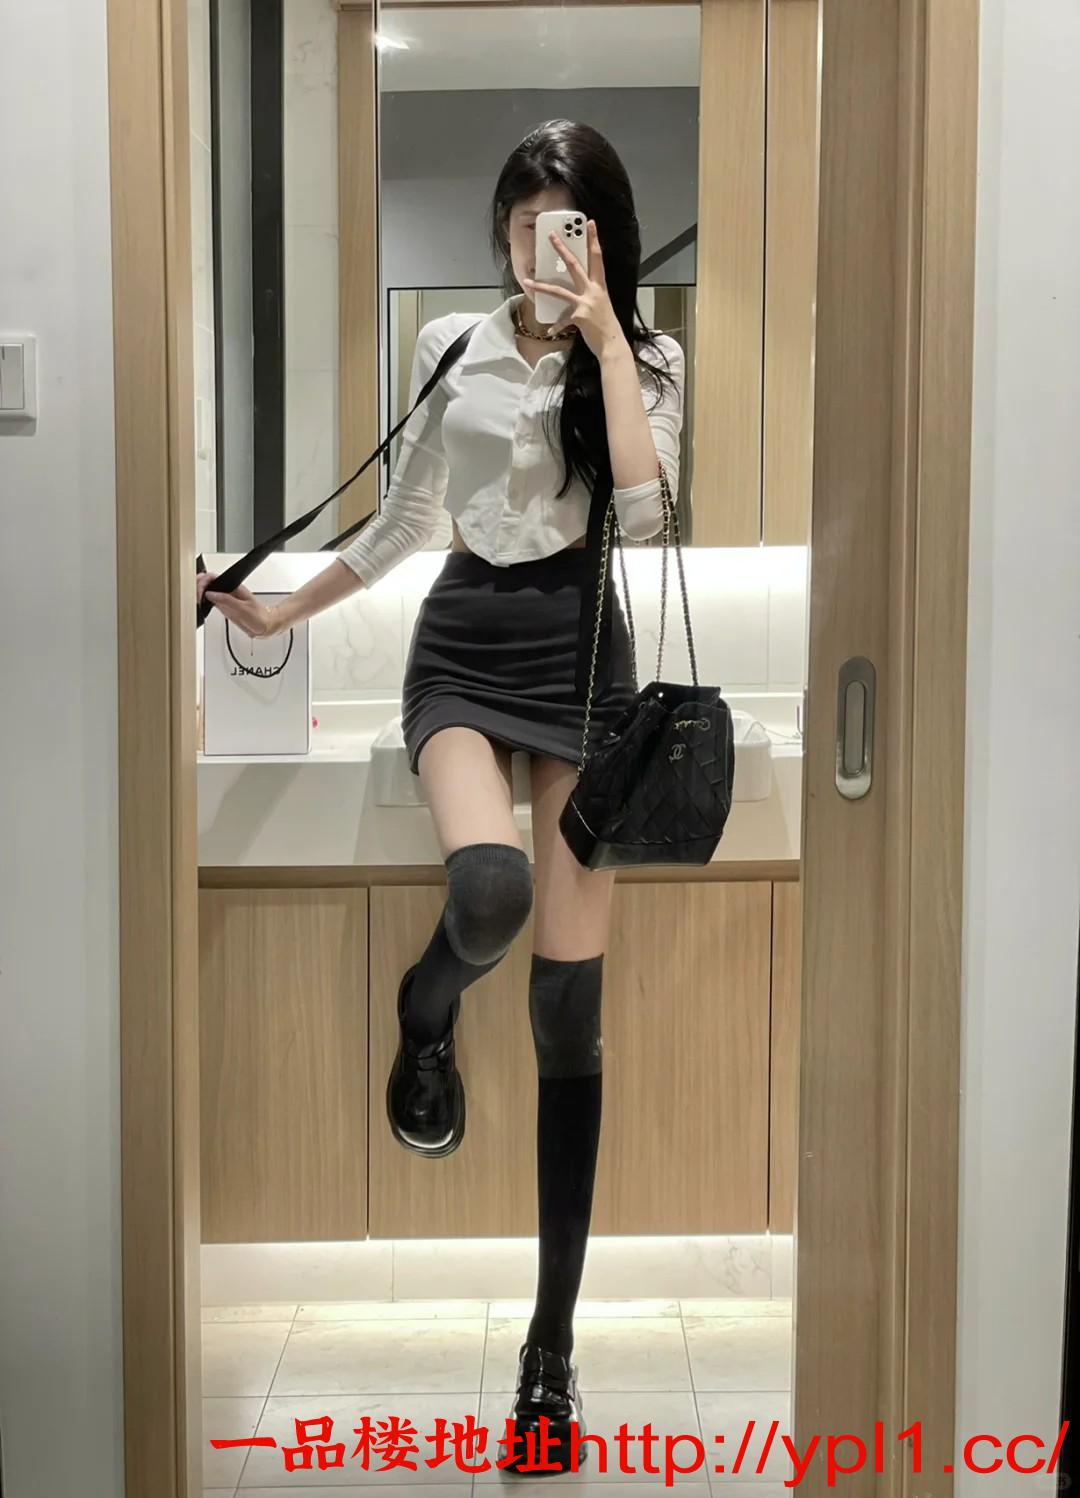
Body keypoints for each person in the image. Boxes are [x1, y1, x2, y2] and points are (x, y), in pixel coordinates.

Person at [198, 118, 685, 1473]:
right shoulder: (449, 347)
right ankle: (425, 1014)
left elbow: (647, 516)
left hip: (584, 659)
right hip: (465, 648)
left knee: (569, 1013)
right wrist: (280, 605)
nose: (542, 247)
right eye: (525, 224)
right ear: (501, 230)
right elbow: (409, 520)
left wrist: (605, 344)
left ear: (603, 237)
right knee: (489, 889)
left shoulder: (647, 359)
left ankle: (550, 1357)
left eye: (567, 225)